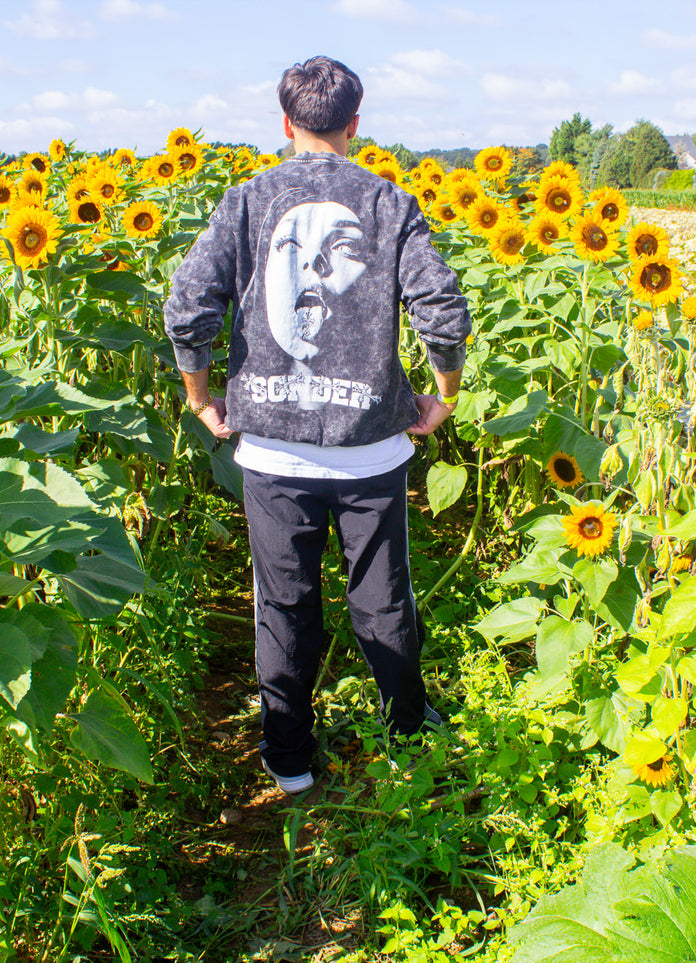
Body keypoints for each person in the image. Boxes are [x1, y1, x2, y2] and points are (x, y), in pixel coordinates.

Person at [164, 56, 471, 795]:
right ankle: (405, 735)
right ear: (355, 126)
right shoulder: (389, 203)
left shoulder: (245, 202)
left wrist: (201, 397)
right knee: (383, 599)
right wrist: (443, 395)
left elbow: (188, 308)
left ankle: (290, 758)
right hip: (370, 449)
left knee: (284, 606)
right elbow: (442, 311)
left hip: (271, 447)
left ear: (285, 123)